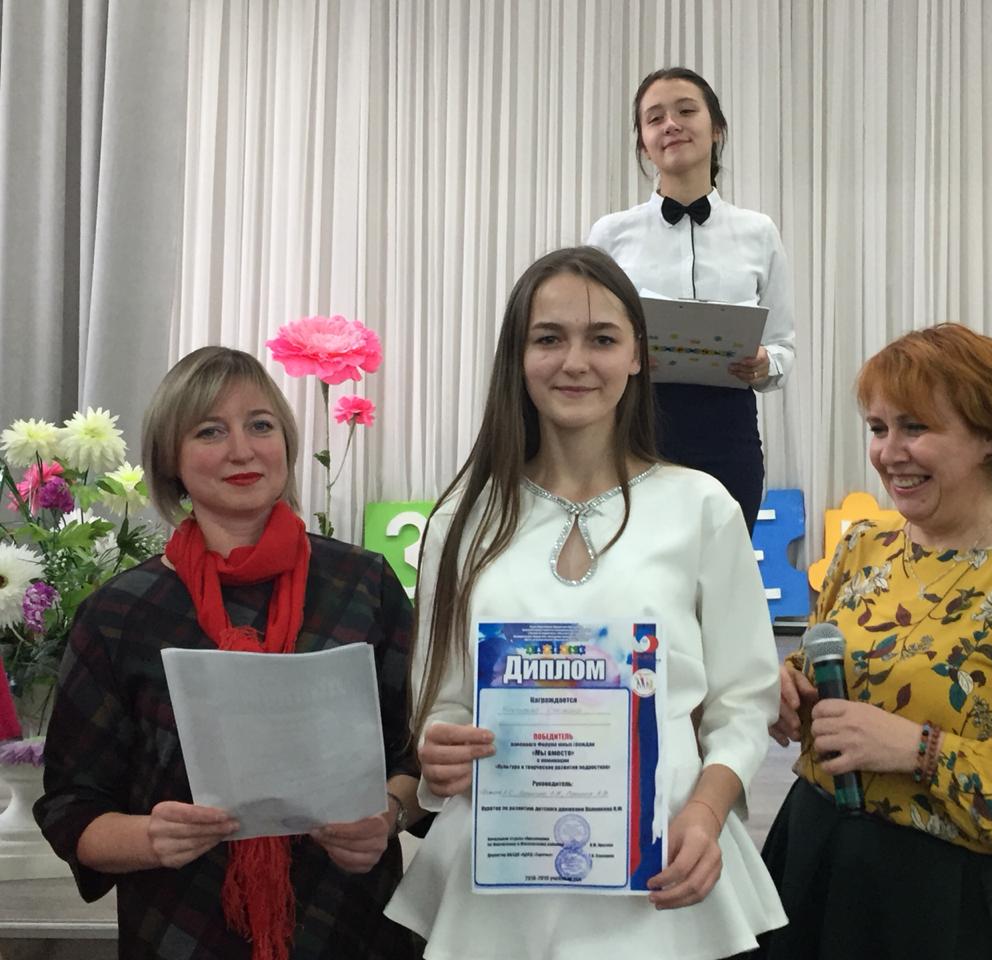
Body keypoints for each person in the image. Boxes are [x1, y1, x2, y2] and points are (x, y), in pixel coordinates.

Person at [383, 246, 787, 959]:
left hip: (663, 869)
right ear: (518, 357)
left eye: (602, 338)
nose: (575, 362)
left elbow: (744, 700)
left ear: (637, 356)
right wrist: (439, 751)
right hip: (501, 879)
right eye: (549, 338)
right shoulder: (462, 520)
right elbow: (442, 702)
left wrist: (706, 810)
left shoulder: (700, 506)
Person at [757, 324, 992, 960]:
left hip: (953, 902)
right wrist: (789, 687)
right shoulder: (863, 548)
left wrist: (920, 750)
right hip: (817, 862)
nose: (889, 452)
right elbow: (827, 665)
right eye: (879, 428)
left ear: (990, 436)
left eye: (916, 427)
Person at [35, 347, 424, 960]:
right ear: (171, 459)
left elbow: (416, 752)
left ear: (286, 443)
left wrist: (389, 815)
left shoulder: (364, 584)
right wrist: (150, 838)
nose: (242, 450)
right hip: (181, 932)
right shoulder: (119, 614)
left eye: (260, 425)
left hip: (352, 927)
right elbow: (70, 807)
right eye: (210, 431)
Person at [586, 66, 796, 531]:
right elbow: (588, 337)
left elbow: (783, 346)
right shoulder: (610, 234)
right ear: (644, 143)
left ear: (716, 128)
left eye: (685, 111)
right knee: (636, 560)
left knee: (724, 560)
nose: (671, 125)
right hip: (635, 429)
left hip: (729, 432)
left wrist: (765, 363)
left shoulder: (758, 232)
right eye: (654, 118)